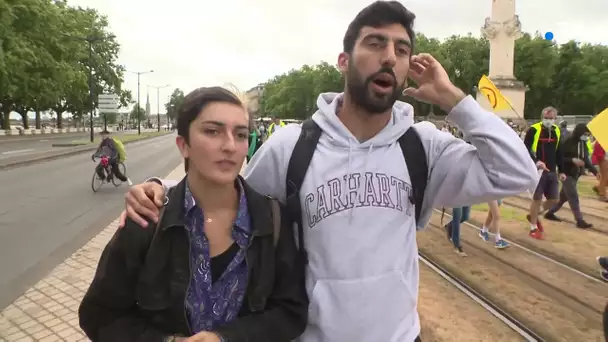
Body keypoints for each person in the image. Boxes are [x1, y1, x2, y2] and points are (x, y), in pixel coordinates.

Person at [116, 2, 538, 341]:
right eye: (375, 43)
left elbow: (518, 173)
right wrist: (162, 190)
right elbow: (229, 200)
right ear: (344, 59)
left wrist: (455, 99)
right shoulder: (292, 147)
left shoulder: (422, 147)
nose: (389, 56)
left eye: (402, 49)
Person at [79, 87, 308, 342]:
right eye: (212, 131)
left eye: (241, 134)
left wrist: (226, 338)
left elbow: (291, 312)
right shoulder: (148, 219)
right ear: (184, 145)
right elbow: (100, 317)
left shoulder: (272, 219)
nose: (230, 145)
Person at [523, 106, 566, 239]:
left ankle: (534, 215)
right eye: (546, 118)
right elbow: (525, 150)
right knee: (537, 199)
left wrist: (562, 170)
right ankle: (533, 228)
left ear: (555, 118)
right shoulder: (534, 130)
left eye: (551, 118)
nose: (549, 120)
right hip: (538, 171)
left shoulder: (556, 131)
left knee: (554, 199)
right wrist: (537, 162)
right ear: (542, 118)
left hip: (552, 170)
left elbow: (558, 152)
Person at [543, 124, 597, 228]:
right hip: (566, 173)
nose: (586, 136)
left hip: (576, 174)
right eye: (585, 134)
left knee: (563, 198)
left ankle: (549, 213)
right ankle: (579, 220)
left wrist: (595, 172)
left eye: (588, 134)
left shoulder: (583, 143)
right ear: (579, 133)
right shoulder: (567, 143)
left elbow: (586, 160)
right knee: (573, 197)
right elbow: (559, 158)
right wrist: (572, 160)